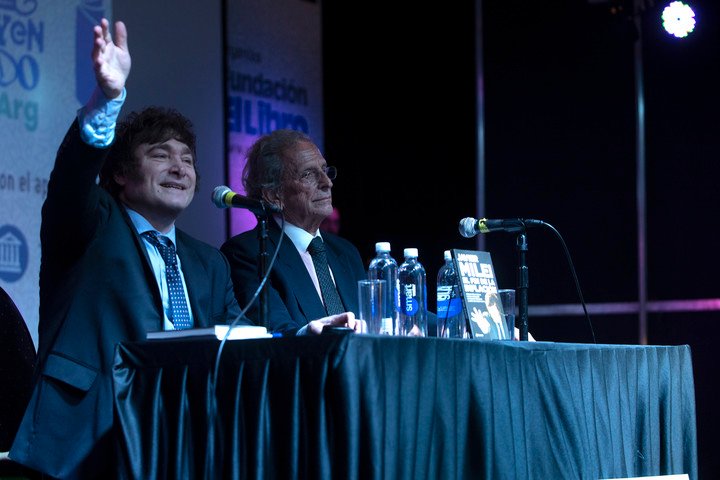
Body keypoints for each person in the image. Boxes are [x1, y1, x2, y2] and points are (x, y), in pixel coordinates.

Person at [9, 18, 249, 479]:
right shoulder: (93, 222)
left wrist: (305, 334)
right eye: (161, 154)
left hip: (186, 441)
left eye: (188, 160)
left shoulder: (209, 262)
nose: (179, 167)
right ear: (120, 173)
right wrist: (108, 101)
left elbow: (238, 342)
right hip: (92, 437)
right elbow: (71, 179)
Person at [221, 129, 368, 336]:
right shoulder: (248, 253)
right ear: (274, 195)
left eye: (325, 170)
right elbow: (275, 330)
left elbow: (375, 321)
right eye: (308, 174)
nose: (327, 183)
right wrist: (309, 332)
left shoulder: (346, 252)